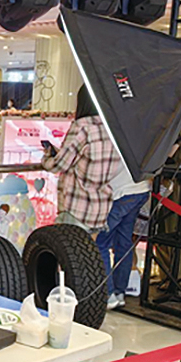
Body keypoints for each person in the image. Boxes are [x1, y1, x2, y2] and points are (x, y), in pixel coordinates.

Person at [42, 85, 120, 234]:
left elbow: (58, 166)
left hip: (78, 207)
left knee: (63, 247)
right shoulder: (113, 127)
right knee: (89, 248)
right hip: (100, 206)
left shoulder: (83, 126)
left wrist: (46, 158)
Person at [96, 164, 151, 310]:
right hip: (140, 189)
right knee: (124, 241)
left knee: (100, 243)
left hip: (120, 191)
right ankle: (119, 292)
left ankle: (107, 294)